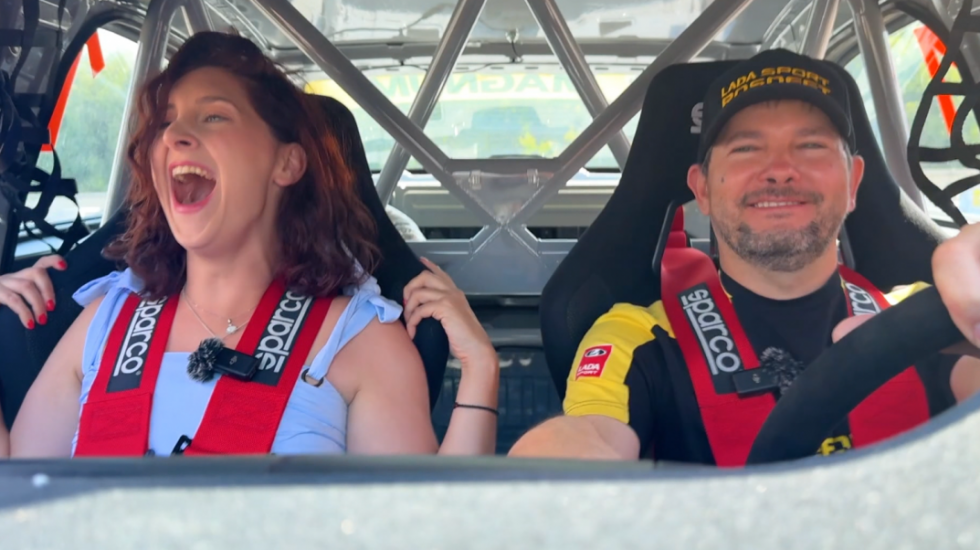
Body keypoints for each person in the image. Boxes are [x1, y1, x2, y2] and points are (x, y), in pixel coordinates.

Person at [0, 32, 498, 458]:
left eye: (213, 117)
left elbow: (422, 523)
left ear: (287, 163)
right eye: (166, 122)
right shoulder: (104, 321)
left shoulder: (359, 342)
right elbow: (14, 502)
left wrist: (480, 370)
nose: (174, 135)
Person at [509, 49, 980, 464]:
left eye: (811, 145)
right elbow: (590, 435)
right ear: (701, 189)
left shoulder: (935, 315)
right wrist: (549, 470)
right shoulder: (637, 337)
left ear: (854, 182)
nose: (779, 170)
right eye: (746, 149)